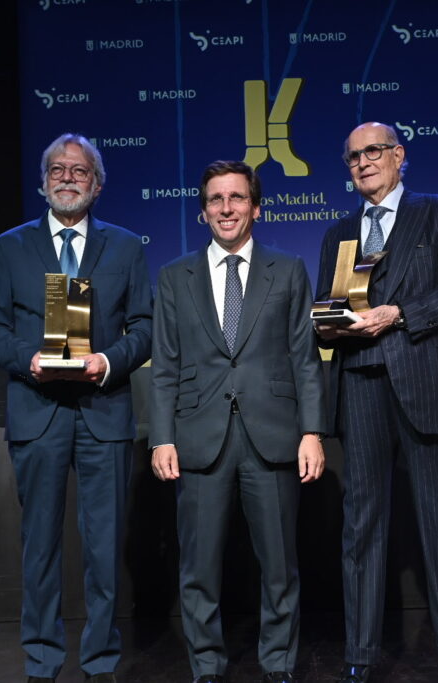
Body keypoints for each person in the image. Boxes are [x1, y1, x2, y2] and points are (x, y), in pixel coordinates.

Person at [314, 123, 438, 683]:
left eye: (374, 152)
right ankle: (360, 655)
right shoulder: (338, 232)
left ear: (399, 156)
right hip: (360, 383)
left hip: (426, 381)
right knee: (361, 527)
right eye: (354, 156)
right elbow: (326, 316)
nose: (364, 162)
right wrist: (330, 325)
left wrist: (398, 314)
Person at [0, 133, 152, 683]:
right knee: (40, 548)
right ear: (42, 181)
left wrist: (108, 360)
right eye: (57, 169)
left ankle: (101, 661)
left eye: (79, 170)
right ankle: (41, 659)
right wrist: (26, 359)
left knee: (104, 550)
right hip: (38, 410)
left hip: (104, 412)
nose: (67, 177)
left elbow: (146, 328)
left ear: (97, 184)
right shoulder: (9, 247)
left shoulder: (126, 247)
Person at [150, 161, 327, 683]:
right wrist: (161, 437)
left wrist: (312, 431)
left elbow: (305, 359)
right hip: (199, 440)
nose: (226, 209)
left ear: (256, 205)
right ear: (203, 210)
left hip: (273, 438)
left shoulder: (288, 269)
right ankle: (206, 665)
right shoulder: (173, 275)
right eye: (215, 200)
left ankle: (278, 664)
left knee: (279, 567)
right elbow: (164, 366)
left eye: (236, 198)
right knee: (198, 569)